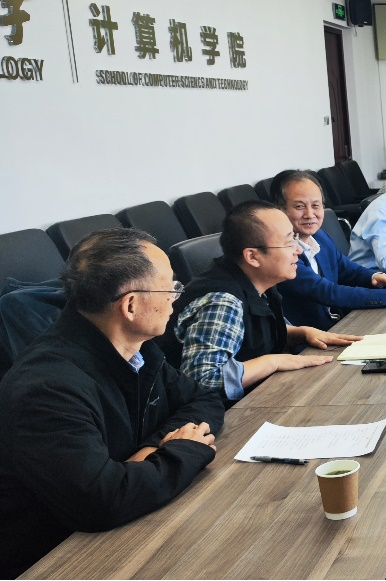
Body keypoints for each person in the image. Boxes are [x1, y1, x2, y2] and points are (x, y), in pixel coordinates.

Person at [0, 228, 224, 578]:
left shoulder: (137, 350)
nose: (175, 298)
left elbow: (202, 398)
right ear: (130, 305)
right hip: (60, 560)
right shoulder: (46, 389)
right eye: (170, 288)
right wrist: (183, 450)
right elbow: (101, 502)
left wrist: (153, 448)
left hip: (131, 525)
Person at [161, 201, 361, 402]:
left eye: (294, 238)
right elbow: (202, 380)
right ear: (253, 257)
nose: (298, 250)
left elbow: (246, 332)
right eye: (288, 243)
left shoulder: (254, 279)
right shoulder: (222, 302)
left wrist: (300, 332)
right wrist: (272, 362)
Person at [271, 170, 386, 331]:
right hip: (310, 338)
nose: (310, 214)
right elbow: (328, 292)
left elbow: (345, 268)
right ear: (279, 209)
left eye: (316, 205)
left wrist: (373, 276)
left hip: (341, 324)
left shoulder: (320, 237)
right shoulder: (283, 254)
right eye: (299, 206)